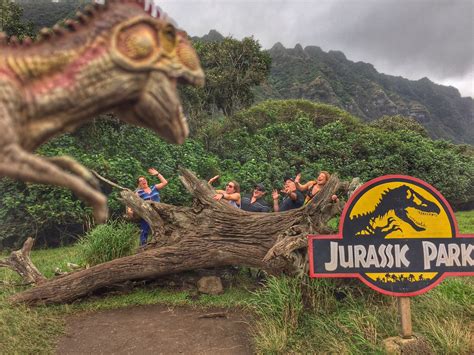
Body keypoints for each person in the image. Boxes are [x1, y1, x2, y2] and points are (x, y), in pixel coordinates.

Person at [135, 168, 168, 246]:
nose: (143, 181)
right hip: (147, 213)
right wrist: (129, 210)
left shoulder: (154, 187)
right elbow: (131, 200)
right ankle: (142, 247)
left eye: (144, 179)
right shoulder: (139, 192)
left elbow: (165, 182)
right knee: (144, 231)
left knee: (163, 229)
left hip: (159, 212)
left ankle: (162, 244)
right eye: (141, 180)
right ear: (138, 184)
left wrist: (157, 174)